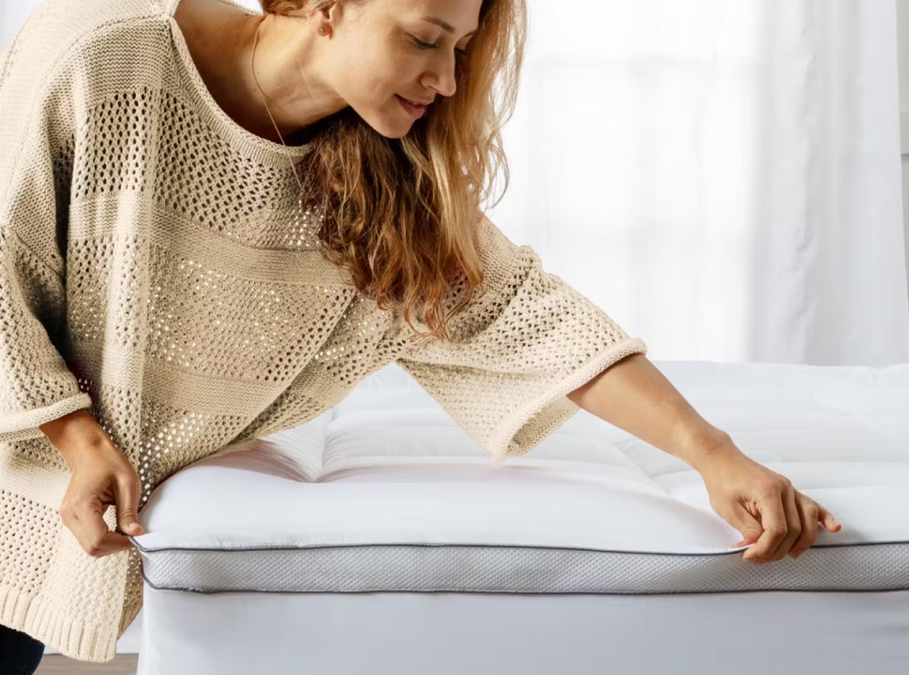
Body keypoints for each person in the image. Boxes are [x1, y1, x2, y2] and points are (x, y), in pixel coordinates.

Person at [0, 0, 842, 665]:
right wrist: (73, 432)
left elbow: (533, 320)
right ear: (328, 5)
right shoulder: (102, 45)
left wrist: (712, 452)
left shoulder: (380, 181)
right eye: (423, 40)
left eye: (461, 49)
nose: (444, 79)